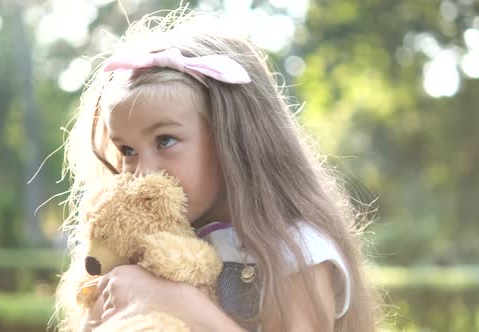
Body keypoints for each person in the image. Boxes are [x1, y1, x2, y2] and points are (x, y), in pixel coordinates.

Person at [54, 8, 379, 332]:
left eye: (165, 140)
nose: (142, 172)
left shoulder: (295, 250)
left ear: (233, 139)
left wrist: (176, 301)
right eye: (127, 151)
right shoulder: (140, 247)